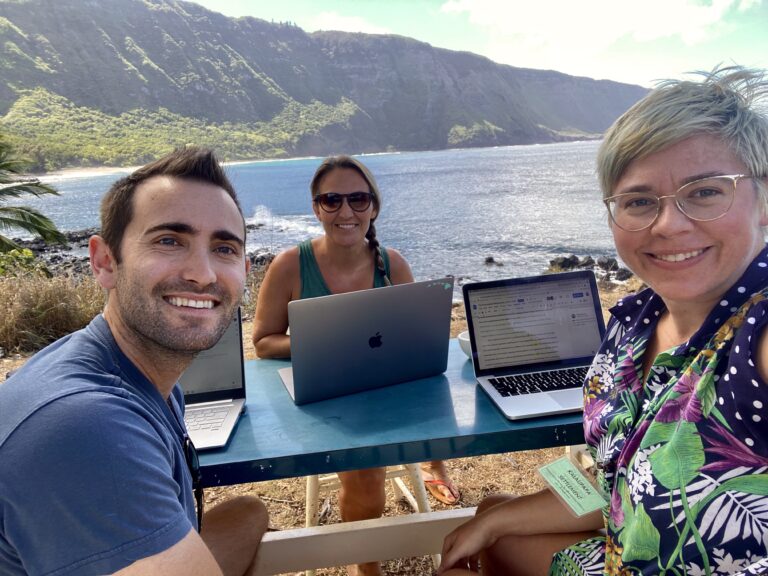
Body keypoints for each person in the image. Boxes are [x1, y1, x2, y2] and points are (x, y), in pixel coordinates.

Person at [440, 65, 768, 576]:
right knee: (490, 515)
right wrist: (490, 524)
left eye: (705, 191)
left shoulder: (756, 337)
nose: (668, 224)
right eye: (639, 201)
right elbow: (615, 482)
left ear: (763, 201)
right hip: (622, 548)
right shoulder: (631, 324)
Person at [0, 148, 268, 575]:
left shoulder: (143, 379)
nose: (203, 274)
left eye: (224, 248)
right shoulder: (86, 427)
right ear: (105, 261)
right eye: (168, 240)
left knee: (249, 513)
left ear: (245, 271)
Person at [252, 154, 459, 575]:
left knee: (448, 423)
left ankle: (433, 463)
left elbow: (417, 335)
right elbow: (262, 342)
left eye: (358, 199)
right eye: (332, 200)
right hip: (324, 395)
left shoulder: (392, 264)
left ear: (373, 207)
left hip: (386, 390)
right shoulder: (290, 265)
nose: (345, 212)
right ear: (316, 207)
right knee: (366, 476)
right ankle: (366, 566)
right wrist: (328, 343)